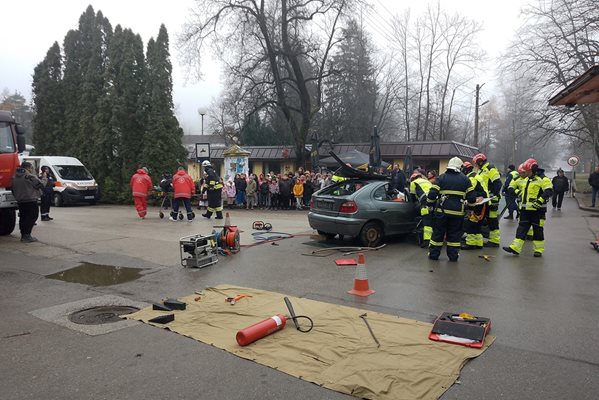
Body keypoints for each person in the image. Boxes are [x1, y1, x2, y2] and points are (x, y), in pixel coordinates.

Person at [426, 157, 476, 261]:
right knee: (454, 235)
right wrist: (470, 209)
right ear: (460, 167)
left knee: (438, 234)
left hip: (441, 212)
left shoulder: (441, 178)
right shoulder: (466, 179)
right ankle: (453, 256)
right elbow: (471, 198)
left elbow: (432, 194)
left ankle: (434, 255)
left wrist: (429, 205)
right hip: (458, 213)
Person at [503, 159, 553, 257]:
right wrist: (517, 193)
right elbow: (515, 189)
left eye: (527, 170)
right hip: (525, 210)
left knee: (537, 230)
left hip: (538, 211)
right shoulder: (526, 180)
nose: (525, 172)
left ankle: (538, 250)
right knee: (521, 229)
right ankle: (515, 248)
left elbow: (549, 191)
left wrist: (540, 200)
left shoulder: (543, 179)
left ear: (533, 170)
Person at [11, 161, 47, 242]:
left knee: (23, 218)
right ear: (27, 168)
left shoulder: (14, 177)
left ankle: (23, 235)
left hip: (20, 201)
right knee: (32, 217)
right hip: (31, 200)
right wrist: (44, 177)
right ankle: (27, 235)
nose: (31, 170)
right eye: (31, 168)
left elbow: (12, 189)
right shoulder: (29, 176)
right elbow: (41, 185)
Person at [473, 153, 503, 247]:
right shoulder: (481, 170)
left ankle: (494, 241)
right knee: (484, 218)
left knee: (492, 220)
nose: (476, 165)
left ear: (480, 162)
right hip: (485, 199)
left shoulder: (490, 168)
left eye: (476, 163)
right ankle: (486, 238)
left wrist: (493, 195)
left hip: (491, 199)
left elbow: (497, 183)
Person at [461, 161, 486, 250]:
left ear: (466, 169)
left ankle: (470, 244)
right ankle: (478, 243)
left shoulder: (471, 178)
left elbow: (469, 191)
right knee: (477, 224)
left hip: (478, 203)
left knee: (471, 223)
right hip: (483, 202)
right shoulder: (475, 175)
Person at [409, 171, 433, 247]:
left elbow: (412, 197)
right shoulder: (427, 181)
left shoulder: (414, 183)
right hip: (434, 201)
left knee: (427, 220)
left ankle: (427, 240)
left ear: (413, 178)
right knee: (433, 219)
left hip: (425, 202)